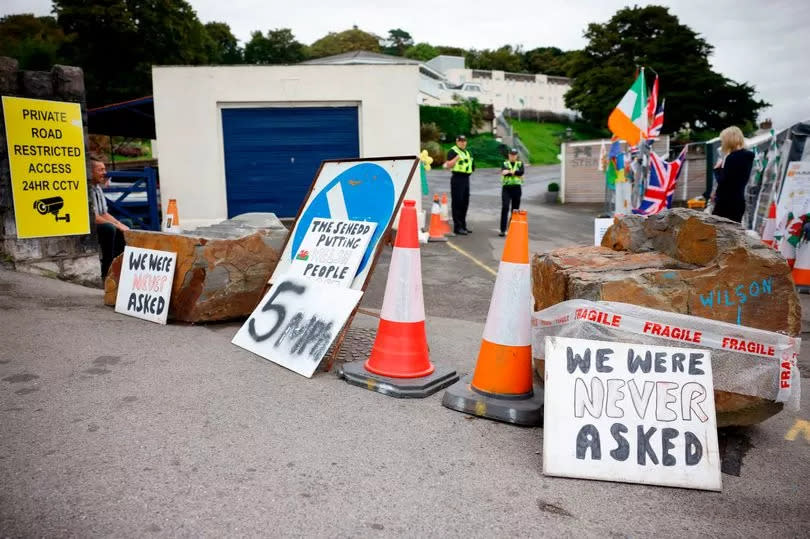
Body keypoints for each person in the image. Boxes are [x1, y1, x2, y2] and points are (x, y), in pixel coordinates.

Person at [90, 159, 129, 279]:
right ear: (90, 172)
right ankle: (107, 269)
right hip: (91, 225)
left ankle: (120, 266)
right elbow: (94, 217)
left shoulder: (98, 188)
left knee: (126, 223)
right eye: (100, 170)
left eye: (104, 169)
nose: (104, 173)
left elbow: (104, 213)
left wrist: (120, 224)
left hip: (100, 221)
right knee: (109, 228)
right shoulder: (88, 189)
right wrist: (117, 226)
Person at [711, 126, 754, 223]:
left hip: (726, 203)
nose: (722, 143)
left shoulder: (732, 158)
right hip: (738, 201)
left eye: (723, 141)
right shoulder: (748, 156)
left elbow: (724, 182)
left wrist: (717, 169)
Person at [443, 134, 474, 235]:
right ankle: (457, 227)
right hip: (457, 178)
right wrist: (456, 159)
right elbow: (448, 165)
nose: (463, 143)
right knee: (457, 203)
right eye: (461, 141)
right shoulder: (453, 151)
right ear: (457, 142)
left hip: (466, 179)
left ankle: (463, 226)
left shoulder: (467, 152)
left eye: (464, 141)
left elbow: (471, 165)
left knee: (465, 202)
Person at [499, 148, 525, 236]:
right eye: (511, 155)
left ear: (516, 155)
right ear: (509, 155)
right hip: (506, 188)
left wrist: (510, 172)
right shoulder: (504, 163)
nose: (513, 156)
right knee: (505, 207)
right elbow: (504, 172)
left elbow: (521, 172)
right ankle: (502, 230)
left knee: (515, 210)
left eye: (514, 155)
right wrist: (515, 172)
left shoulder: (520, 163)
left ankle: (512, 228)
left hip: (517, 188)